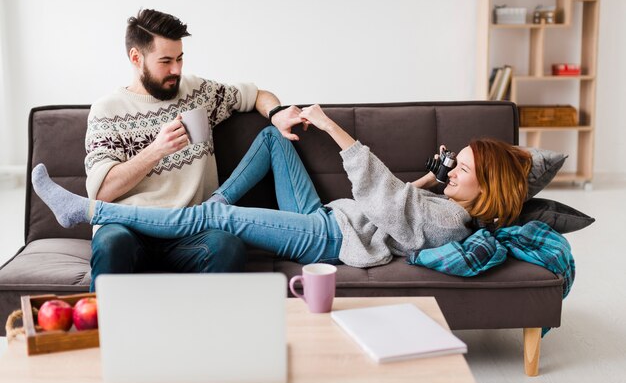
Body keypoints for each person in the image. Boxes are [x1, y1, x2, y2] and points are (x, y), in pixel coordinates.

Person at [33, 104, 533, 269]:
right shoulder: (446, 205)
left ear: (487, 191)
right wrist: (433, 175)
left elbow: (386, 197)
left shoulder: (450, 222)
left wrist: (332, 126)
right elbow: (403, 205)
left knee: (218, 220)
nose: (452, 174)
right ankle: (215, 200)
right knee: (274, 139)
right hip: (328, 214)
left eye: (462, 170)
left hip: (332, 239)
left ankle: (91, 211)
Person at [83, 8, 305, 291]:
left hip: (190, 230)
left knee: (226, 246)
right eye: (165, 61)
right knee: (110, 243)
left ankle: (210, 333)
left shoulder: (197, 93)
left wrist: (276, 113)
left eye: (179, 58)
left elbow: (256, 94)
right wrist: (157, 150)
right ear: (136, 58)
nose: (176, 70)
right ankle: (102, 335)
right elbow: (101, 192)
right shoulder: (107, 111)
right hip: (130, 229)